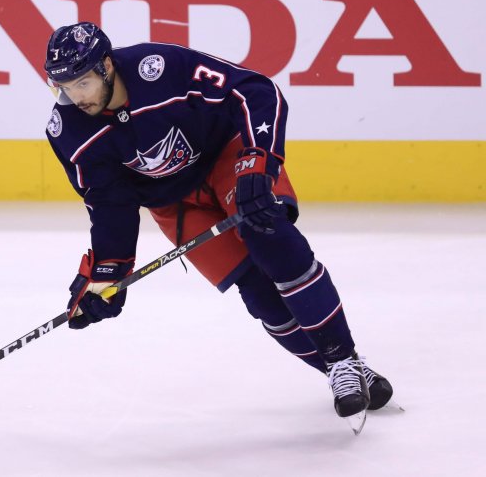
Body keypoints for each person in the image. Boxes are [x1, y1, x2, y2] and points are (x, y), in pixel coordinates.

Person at [43, 22, 393, 421]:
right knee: (259, 294)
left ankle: (342, 358)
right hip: (175, 205)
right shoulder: (68, 130)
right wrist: (108, 272)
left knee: (270, 238)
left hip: (229, 159)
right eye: (63, 87)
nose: (75, 96)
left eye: (82, 83)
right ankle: (341, 370)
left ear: (106, 66)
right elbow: (110, 204)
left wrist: (258, 160)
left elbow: (257, 91)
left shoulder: (160, 67)